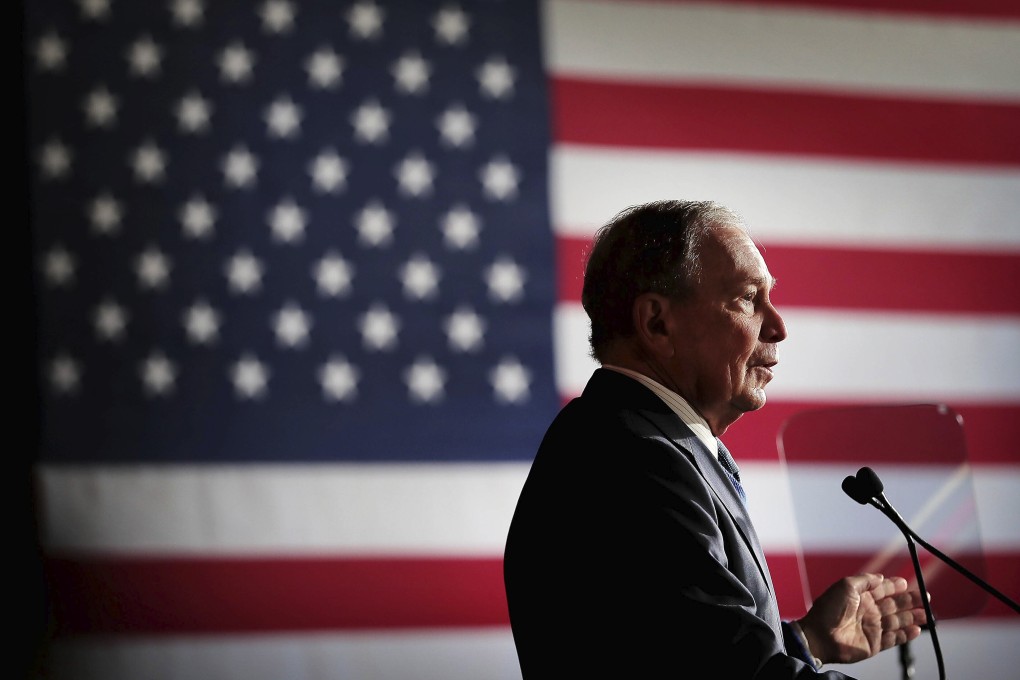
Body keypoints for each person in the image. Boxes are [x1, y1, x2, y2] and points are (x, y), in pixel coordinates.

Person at [503, 200, 928, 678]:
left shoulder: (637, 437)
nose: (779, 327)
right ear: (657, 323)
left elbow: (684, 651)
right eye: (748, 299)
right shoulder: (634, 457)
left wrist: (809, 641)